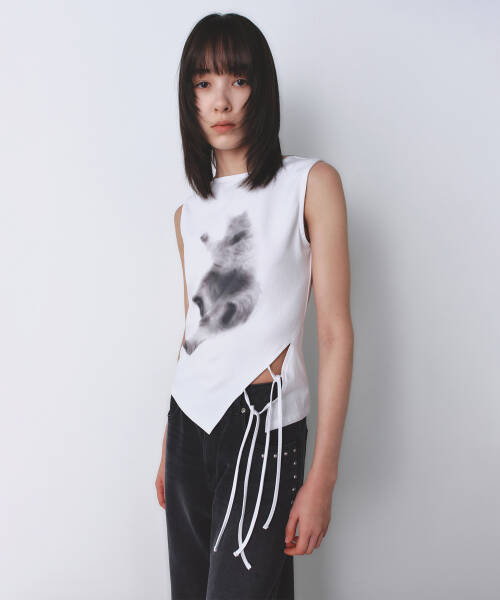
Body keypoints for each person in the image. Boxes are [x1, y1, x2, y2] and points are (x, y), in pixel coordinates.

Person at [155, 12, 354, 600]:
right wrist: (168, 444)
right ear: (189, 98)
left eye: (237, 80)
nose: (221, 101)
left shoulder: (309, 184)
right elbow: (194, 334)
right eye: (204, 83)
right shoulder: (187, 215)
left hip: (262, 427)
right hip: (188, 423)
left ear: (260, 89)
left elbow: (335, 333)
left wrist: (323, 475)